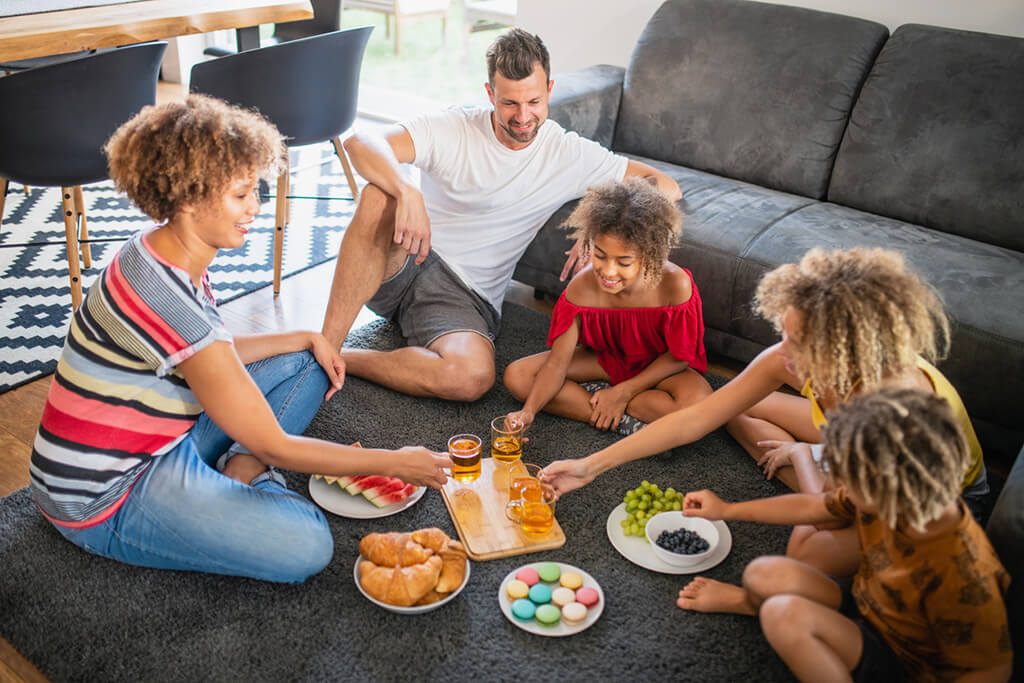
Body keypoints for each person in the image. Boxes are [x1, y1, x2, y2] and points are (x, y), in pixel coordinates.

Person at [28, 95, 451, 584]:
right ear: (188, 197)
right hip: (106, 494)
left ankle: (234, 475)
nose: (255, 207)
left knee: (307, 359)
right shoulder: (165, 297)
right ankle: (243, 480)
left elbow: (214, 356)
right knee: (307, 543)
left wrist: (303, 336)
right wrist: (395, 463)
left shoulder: (158, 252)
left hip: (166, 438)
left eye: (255, 191)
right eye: (240, 195)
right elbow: (274, 444)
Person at [542, 247, 988, 576]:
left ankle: (806, 458)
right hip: (846, 447)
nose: (784, 354)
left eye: (802, 344)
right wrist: (588, 466)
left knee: (807, 555)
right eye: (786, 333)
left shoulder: (891, 410)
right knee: (730, 409)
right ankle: (810, 457)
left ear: (850, 351)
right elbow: (698, 417)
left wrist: (797, 458)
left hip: (924, 497)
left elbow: (831, 510)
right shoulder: (794, 357)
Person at [320, 29, 681, 401]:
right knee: (378, 196)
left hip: (462, 296)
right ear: (490, 94)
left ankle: (344, 359)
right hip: (405, 256)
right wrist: (405, 189)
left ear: (550, 91)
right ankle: (323, 346)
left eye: (534, 102)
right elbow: (360, 142)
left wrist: (601, 223)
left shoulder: (566, 153)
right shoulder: (455, 127)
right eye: (509, 103)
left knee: (471, 378)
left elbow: (666, 185)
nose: (523, 117)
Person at [676, 389, 1013, 683]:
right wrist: (727, 510)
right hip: (869, 605)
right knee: (761, 572)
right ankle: (749, 603)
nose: (837, 484)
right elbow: (812, 508)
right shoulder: (890, 497)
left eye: (846, 476)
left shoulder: (964, 571)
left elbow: (993, 670)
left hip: (905, 663)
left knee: (783, 614)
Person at [502, 178, 712, 436]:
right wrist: (529, 412)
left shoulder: (675, 284)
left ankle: (601, 398)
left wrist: (624, 391)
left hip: (658, 367)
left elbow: (680, 356)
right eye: (600, 256)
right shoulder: (581, 289)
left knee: (700, 404)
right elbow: (557, 365)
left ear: (650, 255)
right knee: (517, 377)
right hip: (605, 361)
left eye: (624, 262)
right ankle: (627, 423)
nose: (608, 271)